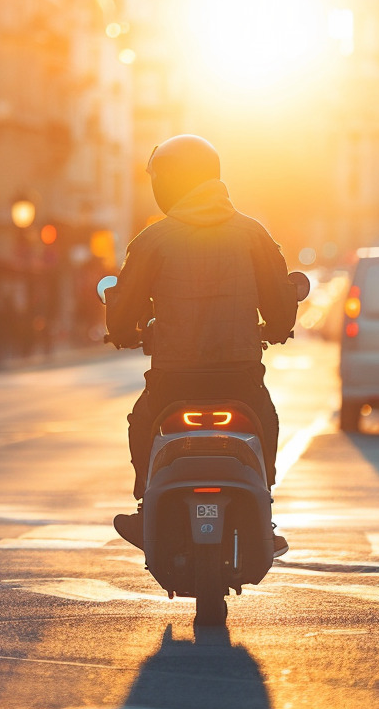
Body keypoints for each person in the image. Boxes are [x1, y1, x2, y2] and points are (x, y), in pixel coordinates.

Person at [105, 134, 298, 553]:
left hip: (174, 382)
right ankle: (264, 512)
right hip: (240, 379)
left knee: (142, 423)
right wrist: (278, 327)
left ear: (168, 183)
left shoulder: (153, 240)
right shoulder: (252, 234)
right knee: (266, 421)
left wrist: (124, 332)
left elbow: (122, 314)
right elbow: (281, 303)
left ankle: (145, 509)